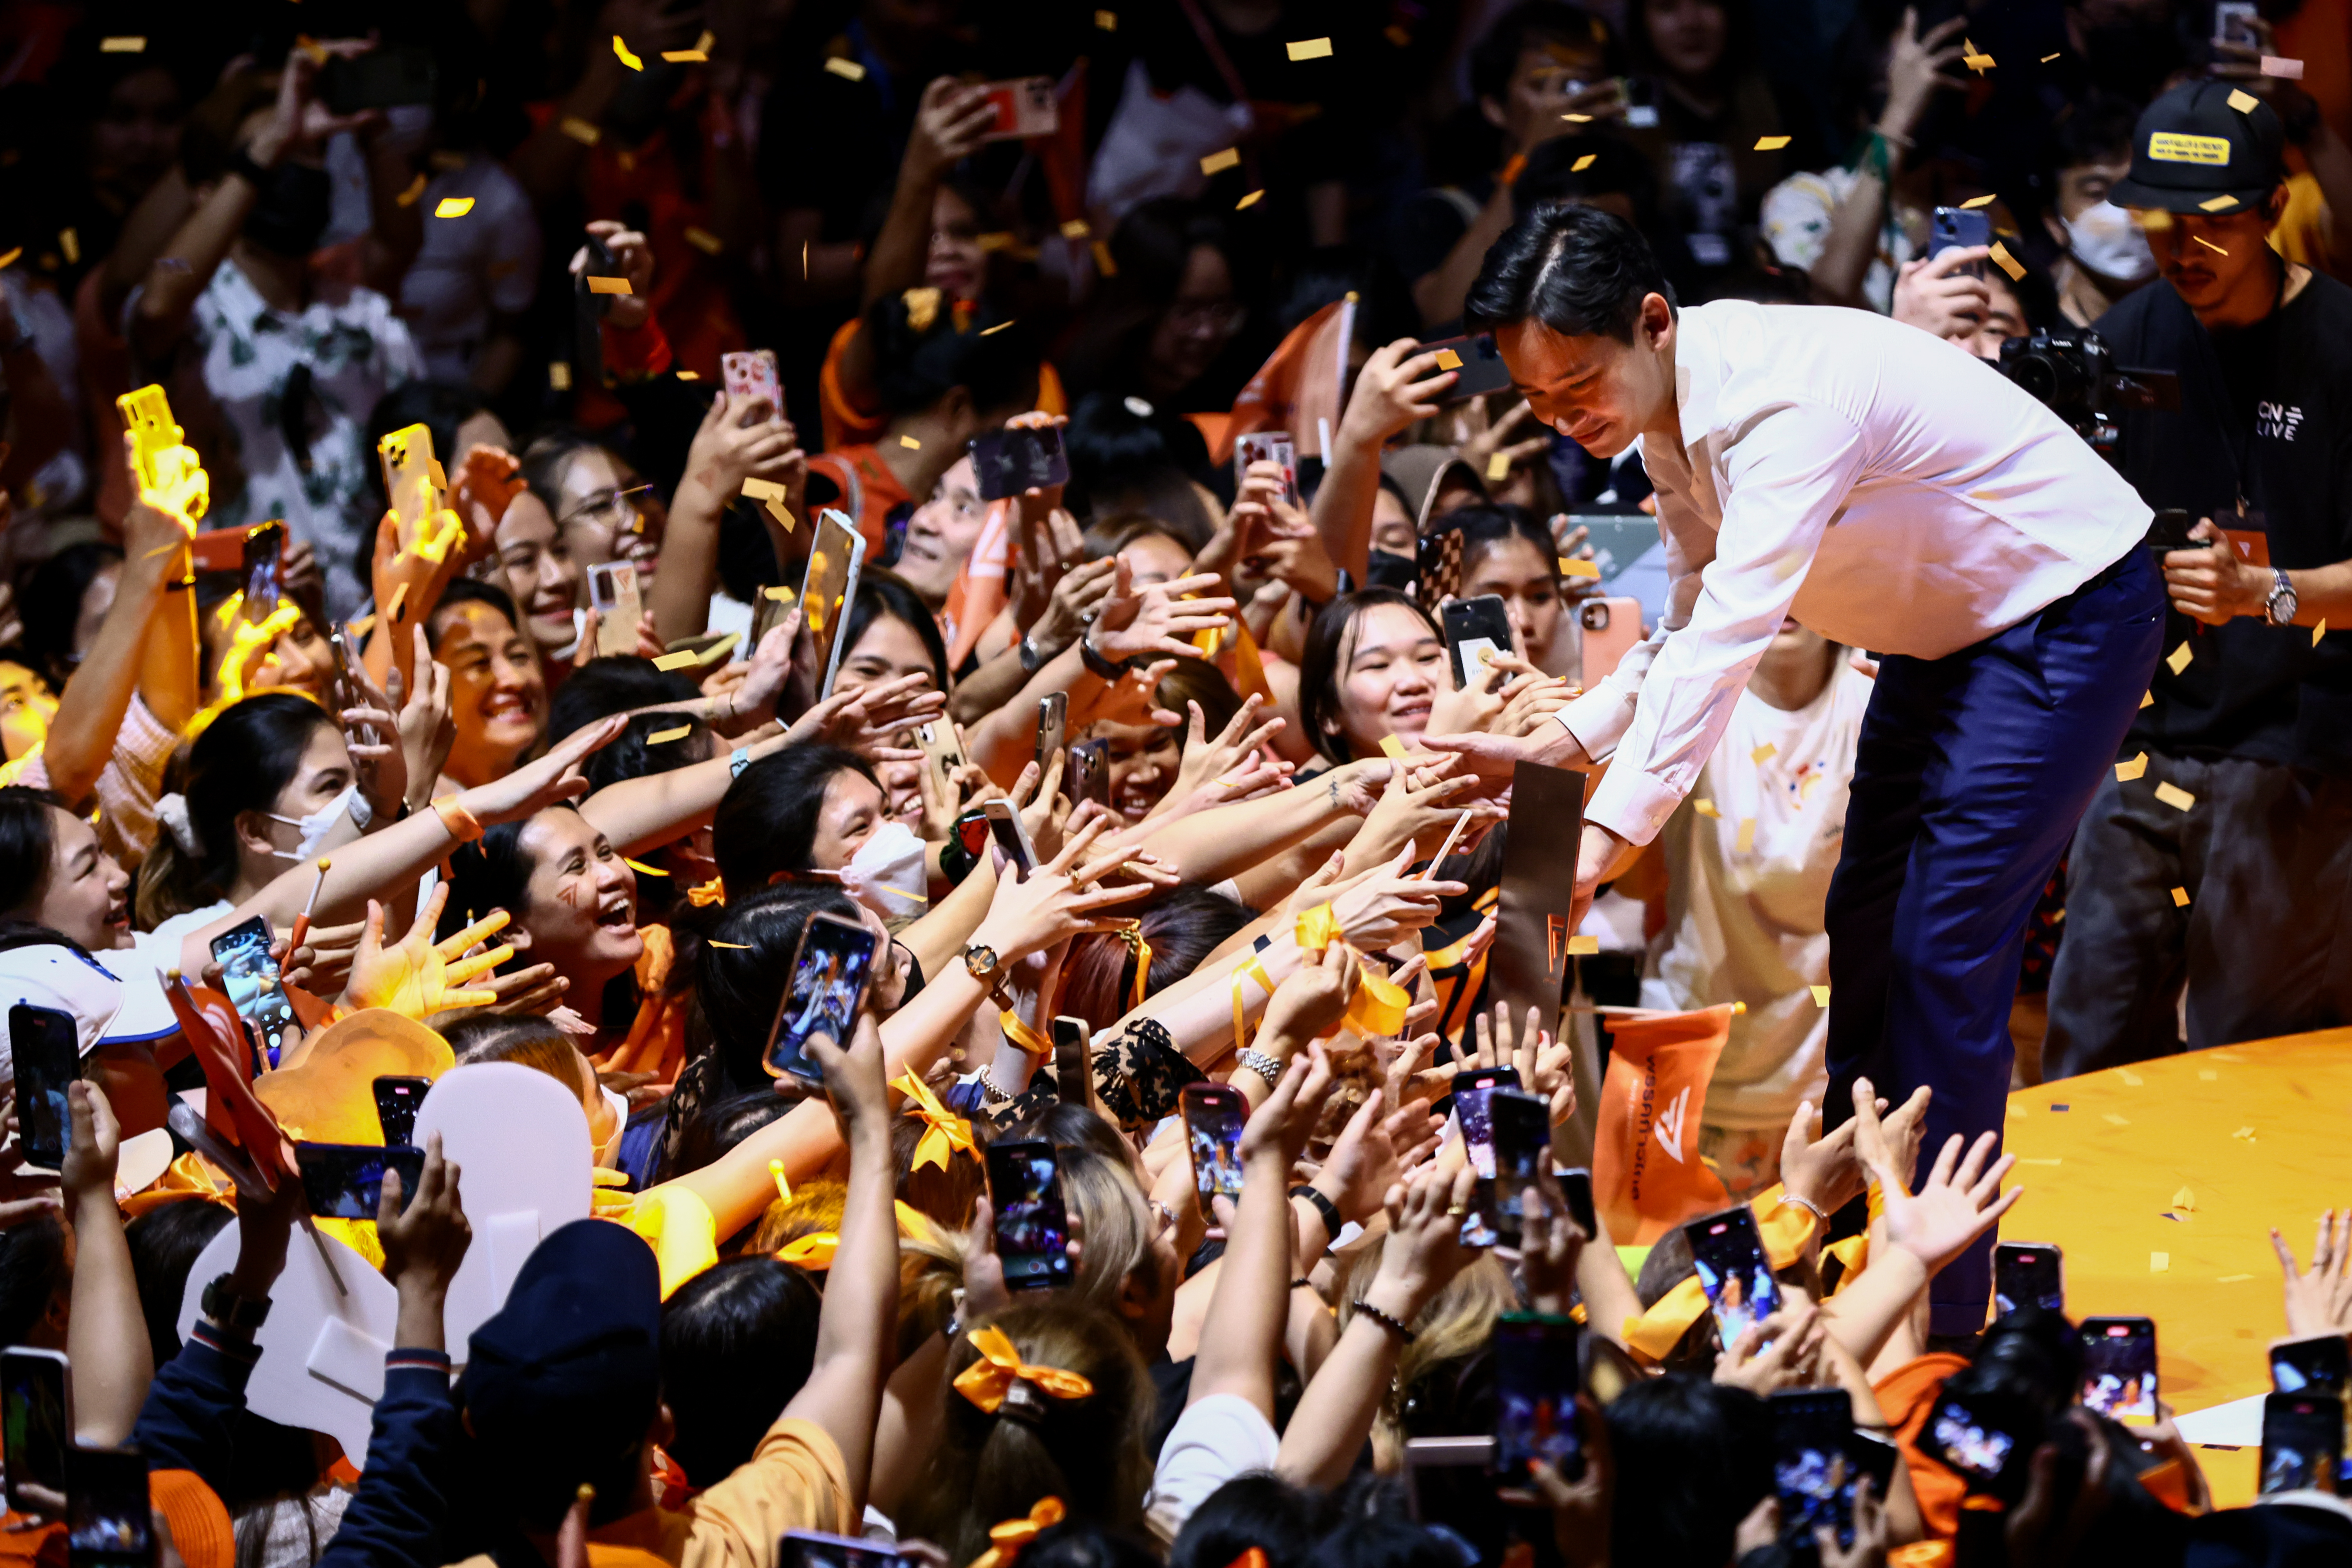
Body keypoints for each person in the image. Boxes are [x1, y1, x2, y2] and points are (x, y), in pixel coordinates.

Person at [1432, 203, 2161, 1332]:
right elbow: (1682, 619)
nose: (1562, 417)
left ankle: (1944, 1312)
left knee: (1937, 949)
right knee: (1863, 927)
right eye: (1534, 398)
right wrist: (1565, 740)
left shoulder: (1781, 405)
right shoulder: (1667, 410)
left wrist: (1601, 837)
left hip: (2063, 612)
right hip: (1949, 633)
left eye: (1576, 383)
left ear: (1652, 322)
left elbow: (1728, 633)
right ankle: (1852, 1251)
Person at [2043, 84, 2352, 1079]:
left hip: (2294, 754)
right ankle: (2075, 1237)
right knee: (2083, 1054)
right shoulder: (2125, 341)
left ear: (2271, 208)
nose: (2183, 250)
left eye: (2212, 223)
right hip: (2137, 747)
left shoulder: (2343, 345)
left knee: (2245, 1065)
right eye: (2162, 223)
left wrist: (2261, 595)